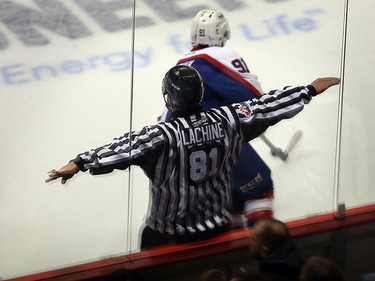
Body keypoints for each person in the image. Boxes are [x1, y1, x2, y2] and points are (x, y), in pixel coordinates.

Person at [45, 65, 340, 249]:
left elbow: (122, 148)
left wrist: (80, 163)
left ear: (169, 99)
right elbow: (266, 106)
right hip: (218, 225)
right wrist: (308, 90)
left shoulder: (161, 135)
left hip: (171, 234)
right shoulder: (229, 118)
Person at [159, 9, 274, 227]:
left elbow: (166, 117)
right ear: (221, 33)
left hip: (188, 154)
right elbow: (255, 98)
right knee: (259, 187)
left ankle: (233, 247)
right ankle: (263, 249)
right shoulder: (221, 55)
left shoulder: (181, 66)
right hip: (217, 138)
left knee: (233, 200)